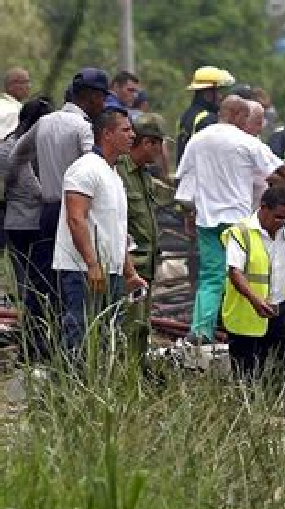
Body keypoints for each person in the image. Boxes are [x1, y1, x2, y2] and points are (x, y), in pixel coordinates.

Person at [175, 95, 285, 344]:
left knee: (212, 277)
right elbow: (283, 170)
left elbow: (185, 179)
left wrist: (188, 214)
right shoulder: (246, 142)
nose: (246, 122)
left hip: (207, 220)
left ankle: (201, 331)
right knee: (246, 275)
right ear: (236, 115)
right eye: (245, 116)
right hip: (238, 222)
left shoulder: (198, 139)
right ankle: (248, 330)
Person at [10, 68, 110, 357]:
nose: (103, 104)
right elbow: (94, 168)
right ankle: (71, 350)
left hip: (48, 211)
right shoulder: (83, 128)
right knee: (73, 280)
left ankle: (37, 346)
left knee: (42, 281)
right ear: (91, 97)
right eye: (101, 98)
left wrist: (40, 188)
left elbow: (17, 157)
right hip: (75, 211)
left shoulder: (45, 122)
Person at [52, 108, 147, 353]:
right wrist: (92, 264)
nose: (132, 135)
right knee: (80, 333)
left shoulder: (113, 173)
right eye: (126, 130)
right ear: (107, 134)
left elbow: (116, 229)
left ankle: (97, 378)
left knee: (105, 336)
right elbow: (76, 218)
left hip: (109, 271)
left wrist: (129, 272)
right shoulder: (85, 169)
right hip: (82, 270)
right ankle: (71, 377)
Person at [222, 185, 285, 376]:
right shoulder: (241, 233)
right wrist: (255, 299)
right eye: (278, 217)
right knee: (247, 370)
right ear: (263, 207)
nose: (282, 222)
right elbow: (235, 272)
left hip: (283, 308)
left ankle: (283, 388)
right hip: (249, 311)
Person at [0, 97, 53, 359]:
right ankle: (33, 345)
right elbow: (34, 189)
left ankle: (35, 342)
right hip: (25, 223)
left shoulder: (17, 145)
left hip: (24, 221)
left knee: (35, 285)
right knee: (34, 286)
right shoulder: (13, 149)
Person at [116, 113, 168, 359]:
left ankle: (136, 371)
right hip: (130, 266)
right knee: (128, 325)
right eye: (159, 145)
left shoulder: (144, 175)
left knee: (141, 327)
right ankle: (124, 372)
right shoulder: (119, 171)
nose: (161, 151)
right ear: (147, 143)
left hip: (145, 266)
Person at [176, 66, 235, 164]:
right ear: (208, 93)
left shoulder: (186, 116)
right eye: (218, 91)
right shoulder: (208, 119)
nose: (221, 97)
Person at [0, 67, 30, 139]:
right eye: (25, 82)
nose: (29, 86)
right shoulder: (13, 112)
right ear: (12, 85)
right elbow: (5, 140)